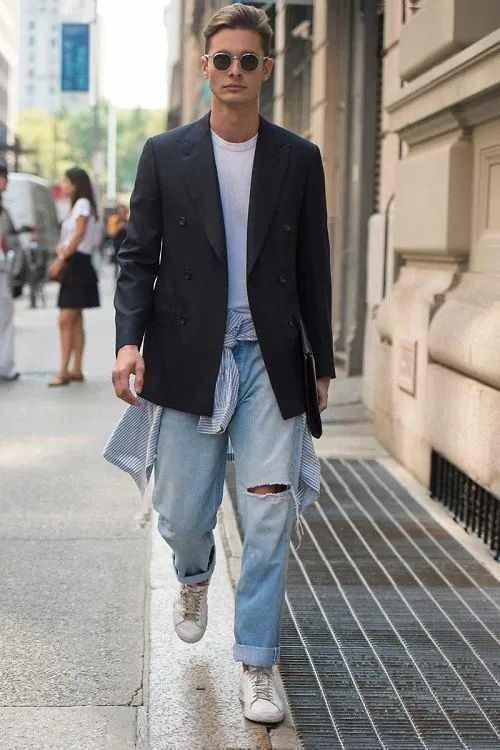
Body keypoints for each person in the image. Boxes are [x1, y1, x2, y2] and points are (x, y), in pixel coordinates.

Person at [106, 3, 335, 725]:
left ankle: (257, 661)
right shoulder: (164, 153)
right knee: (181, 512)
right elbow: (138, 257)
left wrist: (322, 361)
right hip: (186, 351)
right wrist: (127, 342)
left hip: (271, 354)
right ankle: (194, 571)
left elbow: (314, 265)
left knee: (267, 510)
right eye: (224, 59)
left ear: (267, 68)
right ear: (207, 67)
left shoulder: (298, 157)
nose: (235, 71)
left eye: (248, 60)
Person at [48, 167, 100, 387]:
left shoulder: (82, 204)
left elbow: (78, 234)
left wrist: (60, 260)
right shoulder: (80, 205)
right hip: (78, 263)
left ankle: (63, 371)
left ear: (75, 184)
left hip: (76, 264)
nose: (63, 185)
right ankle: (76, 368)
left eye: (66, 181)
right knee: (75, 318)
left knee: (65, 319)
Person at [0, 161, 20, 382]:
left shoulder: (4, 211)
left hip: (2, 270)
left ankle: (5, 365)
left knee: (5, 318)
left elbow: (11, 240)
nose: (5, 182)